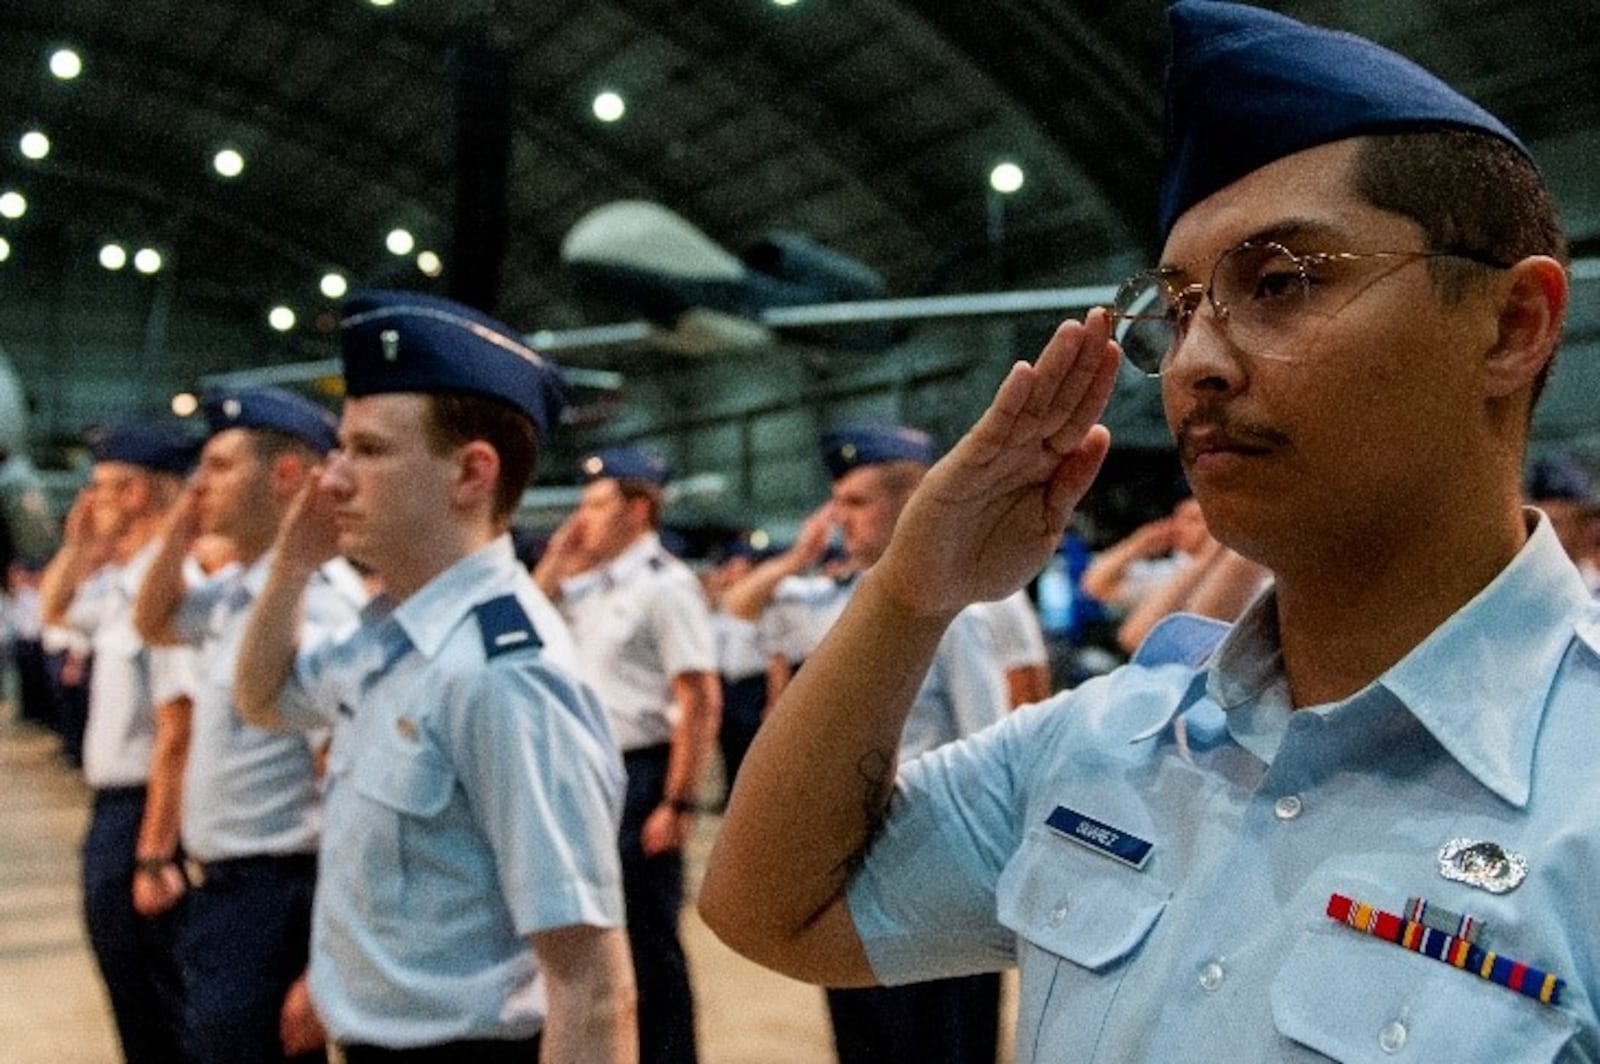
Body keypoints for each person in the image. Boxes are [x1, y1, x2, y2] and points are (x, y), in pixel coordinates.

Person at [700, 2, 1590, 1060]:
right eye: (1178, 306)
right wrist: (907, 593)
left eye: (1279, 282)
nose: (1194, 364)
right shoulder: (1112, 743)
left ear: (1511, 326)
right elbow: (771, 905)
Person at [232, 290, 636, 1063]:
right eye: (338, 449)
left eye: (369, 451)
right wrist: (292, 563)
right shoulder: (393, 636)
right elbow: (264, 698)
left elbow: (591, 983)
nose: (332, 481)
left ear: (472, 474)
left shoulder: (504, 673)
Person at [727, 425, 1012, 1064]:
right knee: (864, 1034)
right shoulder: (829, 604)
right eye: (837, 503)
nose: (839, 519)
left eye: (856, 502)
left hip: (932, 858)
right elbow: (737, 614)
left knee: (942, 1037)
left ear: (908, 505)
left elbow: (987, 747)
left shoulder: (955, 611)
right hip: (843, 861)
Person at [133, 387, 366, 1064]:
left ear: (287, 476)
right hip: (229, 890)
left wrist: (327, 960)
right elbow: (153, 620)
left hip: (278, 893)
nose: (199, 484)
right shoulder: (241, 590)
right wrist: (184, 520)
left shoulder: (319, 606)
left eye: (220, 467)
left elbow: (345, 791)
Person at [535, 446, 720, 1064]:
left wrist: (678, 800)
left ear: (638, 509)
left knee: (648, 943)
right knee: (597, 939)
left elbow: (698, 697)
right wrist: (558, 562)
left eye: (595, 504)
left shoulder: (665, 588)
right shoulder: (589, 588)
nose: (581, 518)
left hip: (642, 775)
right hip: (588, 777)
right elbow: (530, 623)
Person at [38, 423, 198, 1063]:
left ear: (137, 494)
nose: (90, 501)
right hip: (114, 808)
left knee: (155, 998)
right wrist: (77, 546)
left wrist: (155, 853)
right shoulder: (126, 581)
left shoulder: (170, 584)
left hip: (144, 814)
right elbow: (56, 608)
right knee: (128, 991)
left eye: (102, 489)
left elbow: (177, 729)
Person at [1079, 494, 1212, 611]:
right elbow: (1094, 584)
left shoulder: (1230, 563)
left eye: (1194, 520)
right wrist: (1139, 544)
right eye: (1177, 519)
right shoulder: (1171, 572)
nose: (1178, 527)